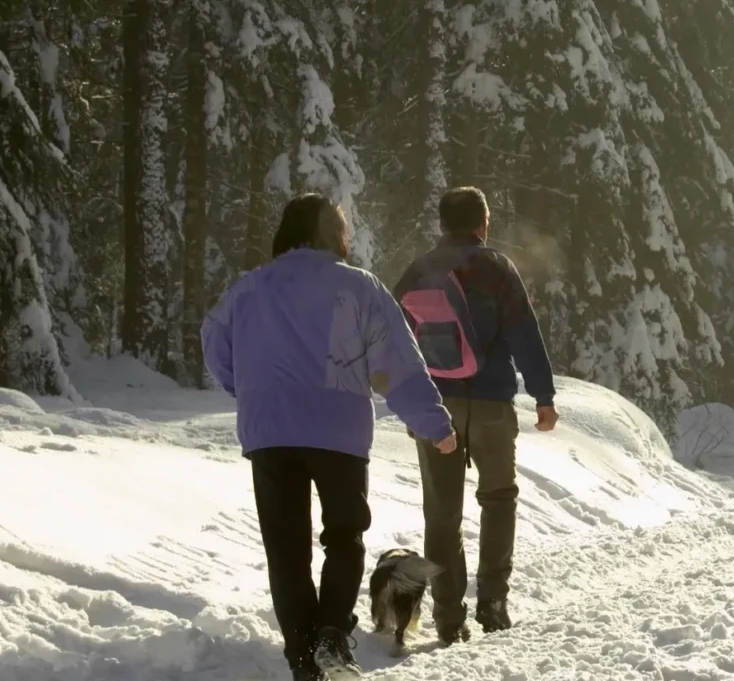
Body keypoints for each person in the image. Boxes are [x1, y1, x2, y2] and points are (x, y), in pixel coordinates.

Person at [203, 193, 458, 681]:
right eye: (343, 227)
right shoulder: (359, 286)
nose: (349, 236)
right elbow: (397, 361)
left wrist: (249, 387)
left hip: (270, 429)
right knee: (344, 536)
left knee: (286, 549)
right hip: (337, 431)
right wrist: (434, 425)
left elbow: (215, 346)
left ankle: (304, 661)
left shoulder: (247, 289)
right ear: (330, 233)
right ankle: (333, 638)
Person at [390, 186, 558, 645]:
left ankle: (448, 617)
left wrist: (411, 402)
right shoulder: (497, 268)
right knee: (499, 498)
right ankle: (493, 602)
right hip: (491, 403)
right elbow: (525, 333)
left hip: (436, 406)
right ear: (484, 223)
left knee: (441, 514)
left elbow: (396, 339)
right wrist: (543, 395)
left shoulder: (419, 270)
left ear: (442, 224)